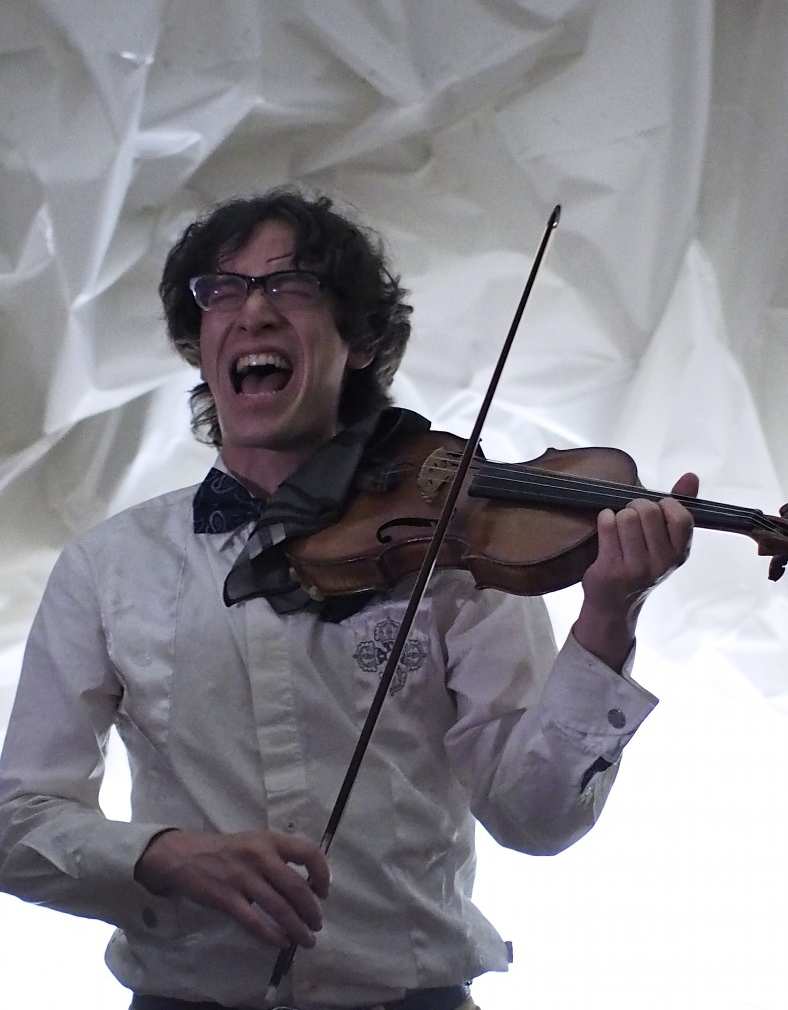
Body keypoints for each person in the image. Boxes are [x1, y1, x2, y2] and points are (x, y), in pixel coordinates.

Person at [0, 189, 697, 1010]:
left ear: (360, 343)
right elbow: (19, 822)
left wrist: (608, 620)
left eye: (291, 287)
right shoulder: (108, 566)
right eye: (223, 290)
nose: (253, 310)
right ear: (199, 344)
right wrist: (164, 855)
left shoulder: (454, 545)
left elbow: (533, 818)